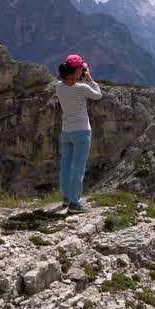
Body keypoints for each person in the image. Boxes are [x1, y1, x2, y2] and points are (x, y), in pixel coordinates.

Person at [54, 53, 101, 212]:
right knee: (78, 168)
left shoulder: (58, 86)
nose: (83, 70)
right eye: (81, 68)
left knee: (66, 165)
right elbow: (98, 95)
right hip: (82, 132)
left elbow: (69, 82)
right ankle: (75, 203)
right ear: (75, 71)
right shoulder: (82, 88)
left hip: (66, 132)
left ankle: (66, 197)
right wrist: (90, 78)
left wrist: (80, 74)